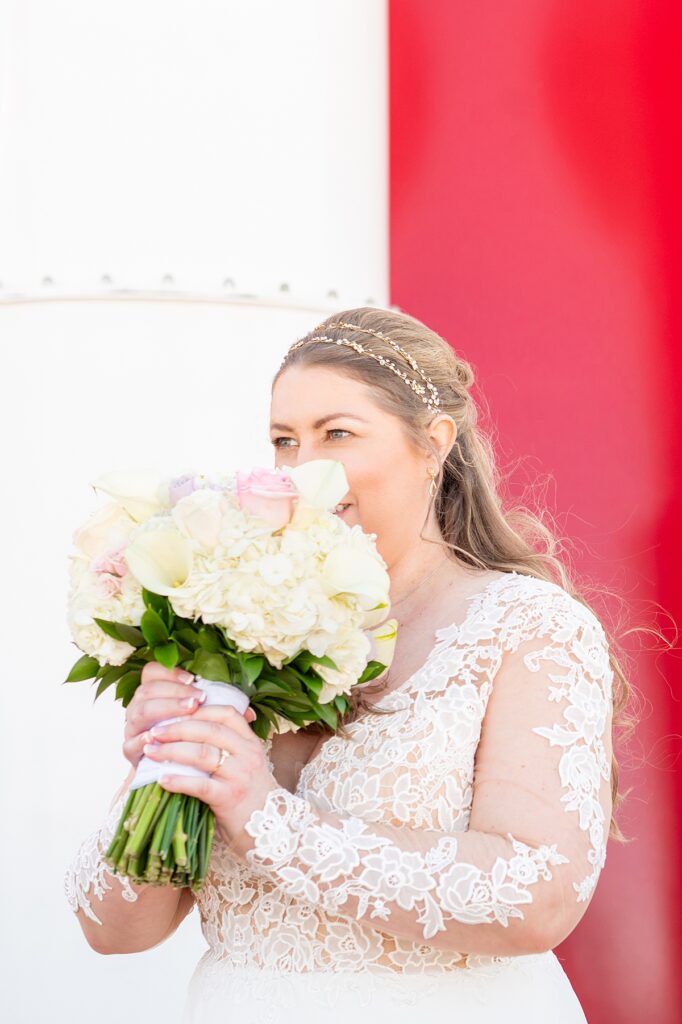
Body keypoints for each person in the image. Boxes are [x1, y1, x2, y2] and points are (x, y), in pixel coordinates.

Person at [65, 307, 629, 1022]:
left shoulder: (526, 627)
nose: (302, 471)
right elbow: (111, 929)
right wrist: (166, 763)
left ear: (433, 444)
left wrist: (264, 817)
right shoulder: (240, 629)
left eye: (337, 434)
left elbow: (538, 896)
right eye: (283, 440)